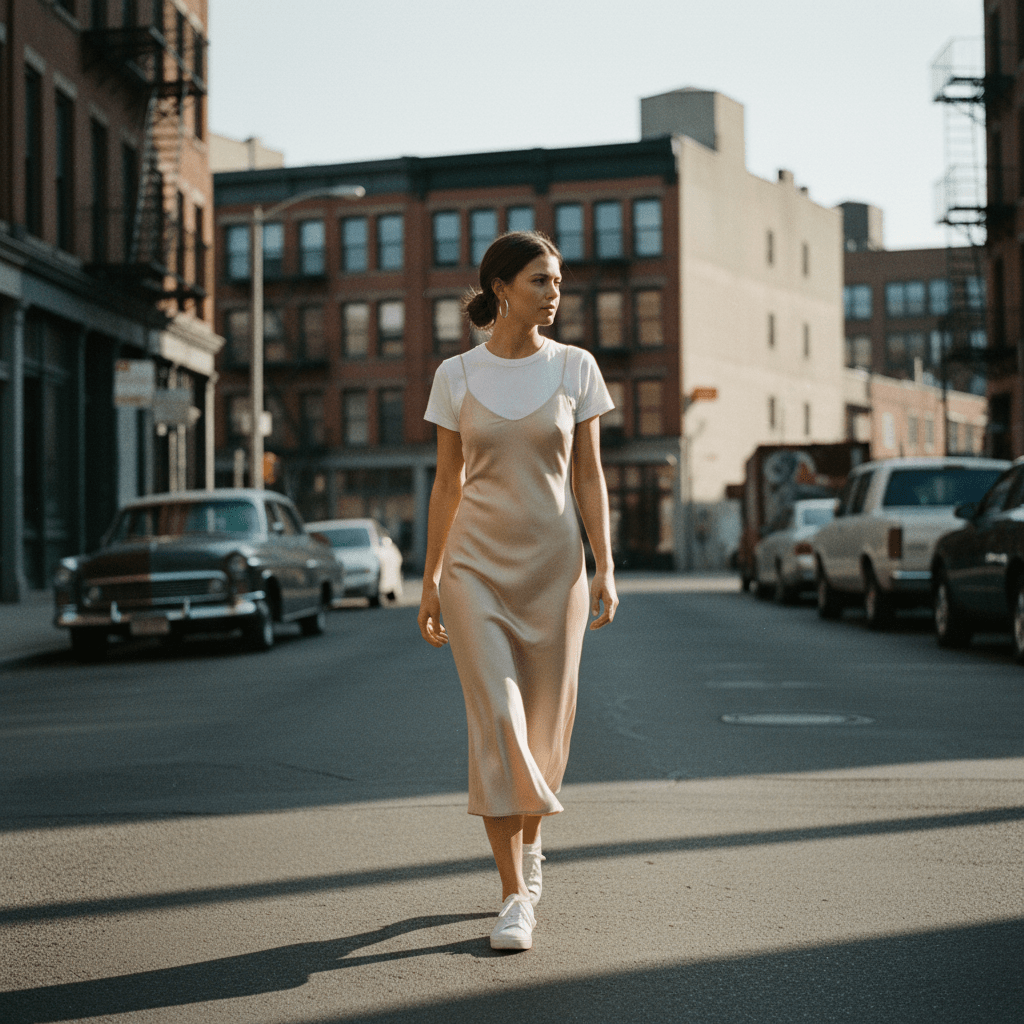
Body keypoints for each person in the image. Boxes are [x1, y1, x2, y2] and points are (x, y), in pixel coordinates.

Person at [418, 230, 618, 951]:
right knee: (499, 723)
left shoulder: (576, 368)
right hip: (475, 569)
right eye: (542, 281)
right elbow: (447, 482)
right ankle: (513, 897)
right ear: (502, 288)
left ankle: (532, 847)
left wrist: (606, 564)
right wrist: (433, 576)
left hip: (554, 571)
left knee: (542, 729)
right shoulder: (457, 375)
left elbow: (589, 475)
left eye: (559, 281)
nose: (555, 293)